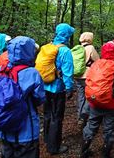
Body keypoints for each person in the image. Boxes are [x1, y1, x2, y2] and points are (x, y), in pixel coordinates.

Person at [0, 36, 45, 158]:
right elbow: (39, 98)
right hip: (26, 130)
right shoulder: (32, 73)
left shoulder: (1, 70)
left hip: (3, 128)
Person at [81, 41, 114, 158]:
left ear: (103, 52)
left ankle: (84, 151)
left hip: (95, 102)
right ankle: (106, 154)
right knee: (109, 129)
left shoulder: (95, 65)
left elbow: (89, 82)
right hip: (112, 103)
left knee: (91, 125)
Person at [43, 23, 75, 155]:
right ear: (67, 35)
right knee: (57, 117)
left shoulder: (49, 46)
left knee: (47, 115)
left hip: (45, 86)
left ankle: (46, 139)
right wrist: (69, 88)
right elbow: (67, 73)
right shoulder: (65, 51)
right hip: (58, 89)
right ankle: (54, 147)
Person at [75, 32, 100, 127]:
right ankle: (84, 115)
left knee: (81, 96)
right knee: (89, 96)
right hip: (87, 75)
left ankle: (79, 116)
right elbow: (97, 60)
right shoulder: (90, 48)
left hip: (77, 75)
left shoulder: (77, 48)